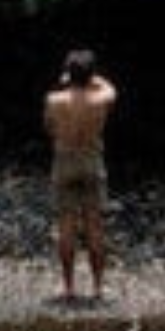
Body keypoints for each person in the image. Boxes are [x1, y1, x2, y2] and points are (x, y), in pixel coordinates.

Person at [44, 47, 117, 303]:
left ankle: (68, 287)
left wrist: (68, 80)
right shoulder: (101, 99)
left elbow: (49, 128)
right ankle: (97, 288)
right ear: (91, 74)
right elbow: (110, 88)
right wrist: (92, 78)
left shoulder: (54, 100)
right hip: (91, 160)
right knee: (94, 226)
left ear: (68, 73)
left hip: (65, 160)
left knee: (66, 225)